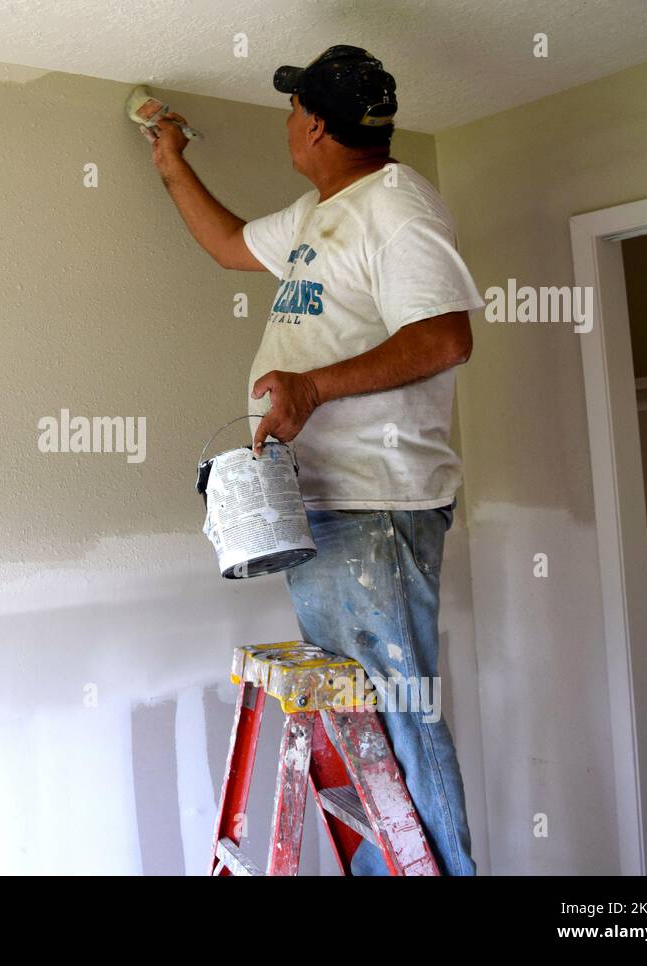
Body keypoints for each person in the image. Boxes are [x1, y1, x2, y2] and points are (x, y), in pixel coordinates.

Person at [144, 45, 482, 876]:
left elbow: (446, 336)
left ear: (317, 126)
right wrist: (169, 162)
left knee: (398, 723)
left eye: (295, 109)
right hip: (326, 505)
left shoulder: (398, 207)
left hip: (378, 506)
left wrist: (314, 388)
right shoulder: (319, 211)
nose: (289, 122)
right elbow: (226, 244)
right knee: (360, 729)